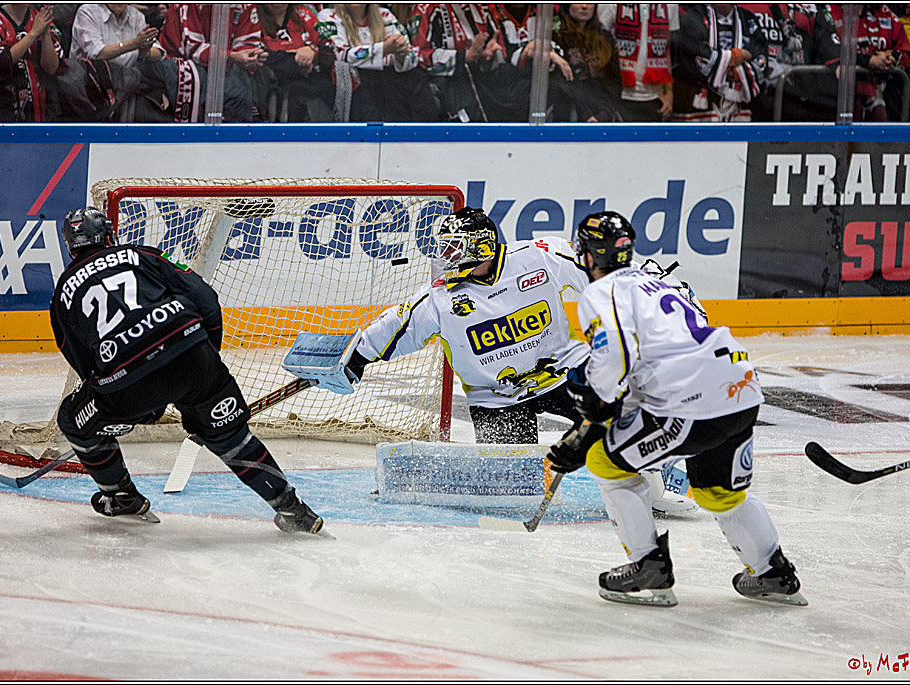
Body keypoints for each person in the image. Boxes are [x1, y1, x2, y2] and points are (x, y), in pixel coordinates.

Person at [553, 210, 806, 607]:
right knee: (718, 490)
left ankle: (647, 568)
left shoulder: (600, 293)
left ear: (587, 255)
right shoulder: (651, 280)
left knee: (605, 461)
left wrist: (592, 416)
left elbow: (616, 359)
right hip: (740, 390)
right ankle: (773, 573)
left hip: (693, 401)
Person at [50, 207, 325, 535]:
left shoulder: (61, 297)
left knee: (72, 419)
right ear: (109, 235)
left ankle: (120, 496)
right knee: (229, 436)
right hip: (192, 354)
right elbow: (205, 298)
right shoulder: (141, 254)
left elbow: (86, 367)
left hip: (127, 384)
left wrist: (137, 406)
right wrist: (206, 359)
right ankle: (293, 510)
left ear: (69, 246)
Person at [345, 207, 592, 445]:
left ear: (481, 247)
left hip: (563, 371)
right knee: (511, 481)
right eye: (445, 247)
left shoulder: (540, 256)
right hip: (494, 397)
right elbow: (398, 326)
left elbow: (605, 274)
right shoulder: (440, 297)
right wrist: (356, 356)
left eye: (454, 247)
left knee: (619, 425)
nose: (446, 256)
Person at [316, 3, 439, 121]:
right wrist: (384, 49)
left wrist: (401, 55)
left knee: (416, 77)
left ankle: (430, 132)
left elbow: (413, 54)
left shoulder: (386, 15)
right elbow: (340, 55)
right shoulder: (327, 16)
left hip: (390, 82)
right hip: (358, 85)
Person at [406, 3, 524, 122]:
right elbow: (419, 57)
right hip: (444, 95)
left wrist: (486, 57)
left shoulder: (482, 8)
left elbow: (499, 52)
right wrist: (464, 56)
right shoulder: (424, 8)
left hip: (482, 92)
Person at [672, 3, 769, 122]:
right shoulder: (695, 16)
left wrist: (736, 71)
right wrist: (737, 56)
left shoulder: (749, 20)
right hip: (700, 106)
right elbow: (694, 53)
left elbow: (761, 58)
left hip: (741, 108)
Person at [0, 3, 64, 122]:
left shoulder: (40, 19)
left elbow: (51, 68)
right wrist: (33, 33)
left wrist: (45, 33)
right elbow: (1, 62)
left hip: (37, 108)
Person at [828, 3, 910, 121]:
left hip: (886, 97)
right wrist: (869, 61)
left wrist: (891, 57)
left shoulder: (885, 13)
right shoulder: (831, 12)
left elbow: (906, 53)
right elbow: (831, 52)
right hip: (843, 98)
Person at [598, 3, 678, 122]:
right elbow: (599, 46)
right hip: (618, 96)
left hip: (656, 97)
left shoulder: (670, 5)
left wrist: (669, 92)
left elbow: (666, 48)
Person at [255, 3, 333, 122]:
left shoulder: (305, 14)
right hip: (268, 89)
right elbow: (250, 53)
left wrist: (313, 51)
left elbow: (333, 48)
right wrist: (295, 60)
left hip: (308, 87)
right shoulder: (251, 16)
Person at [551, 3, 623, 122]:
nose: (584, 6)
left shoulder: (605, 39)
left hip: (602, 116)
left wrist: (605, 114)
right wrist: (585, 114)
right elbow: (561, 81)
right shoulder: (557, 36)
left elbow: (614, 82)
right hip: (568, 115)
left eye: (589, 2)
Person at [71, 3, 164, 68]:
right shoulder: (87, 12)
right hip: (92, 83)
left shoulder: (136, 15)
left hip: (128, 82)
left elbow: (159, 53)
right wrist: (134, 43)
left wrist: (145, 53)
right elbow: (96, 54)